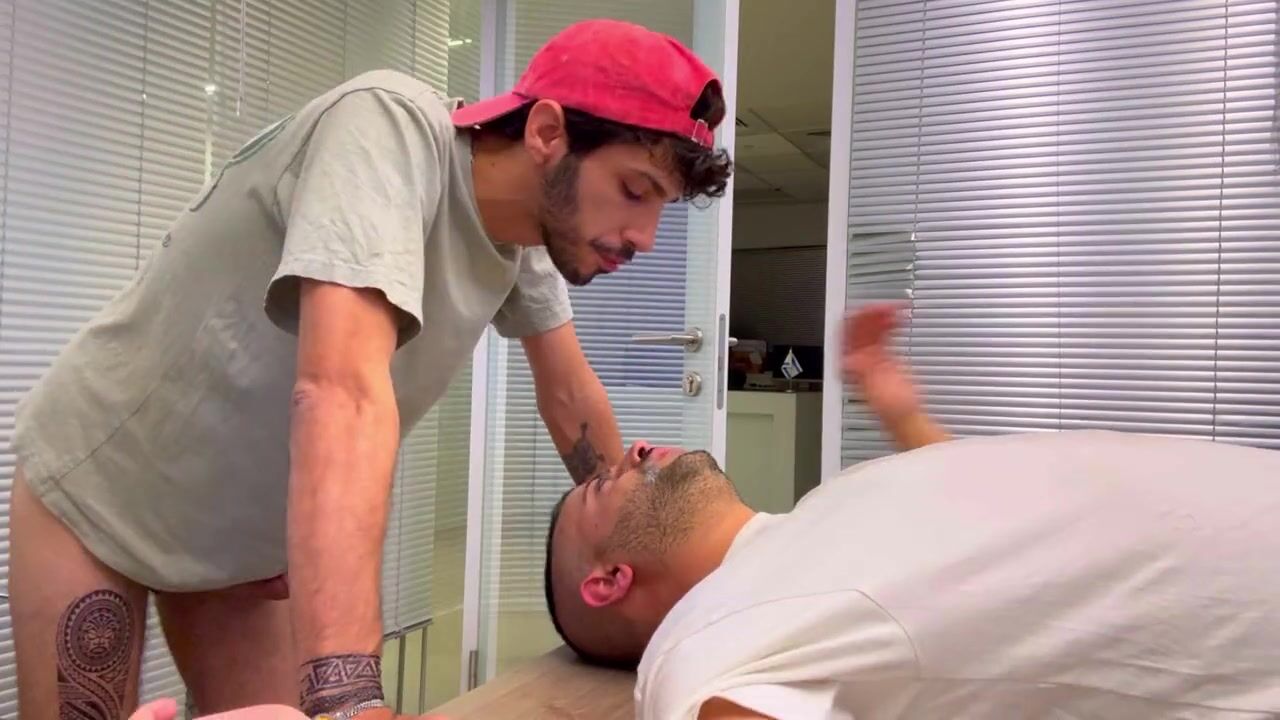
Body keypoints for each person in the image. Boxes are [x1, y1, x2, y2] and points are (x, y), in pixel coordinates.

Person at [9, 18, 732, 720]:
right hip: (104, 491)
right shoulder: (386, 131)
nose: (646, 236)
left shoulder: (526, 239)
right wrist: (350, 701)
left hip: (237, 550)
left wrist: (642, 566)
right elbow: (342, 393)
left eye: (662, 206)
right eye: (635, 190)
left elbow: (569, 392)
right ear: (547, 133)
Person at [544, 304, 1280, 719]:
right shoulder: (705, 643)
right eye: (602, 487)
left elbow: (981, 538)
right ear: (608, 580)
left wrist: (905, 420)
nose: (633, 449)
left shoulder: (813, 518)